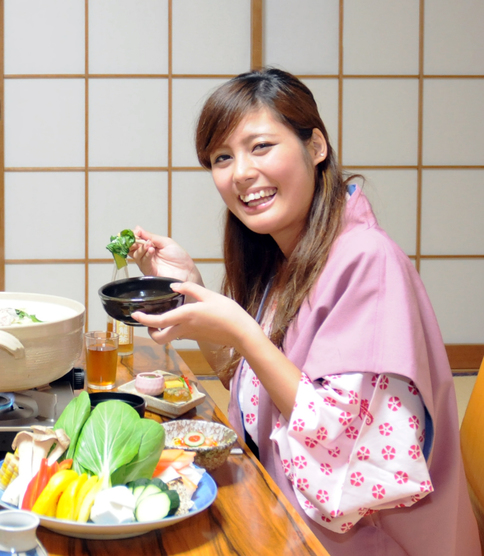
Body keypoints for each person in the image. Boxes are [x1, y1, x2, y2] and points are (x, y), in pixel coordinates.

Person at [129, 68, 480, 555]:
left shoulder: (366, 260)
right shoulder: (284, 260)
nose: (241, 173)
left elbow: (339, 436)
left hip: (375, 543)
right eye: (222, 158)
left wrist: (242, 329)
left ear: (316, 146)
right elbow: (258, 390)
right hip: (286, 517)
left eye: (261, 147)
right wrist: (194, 293)